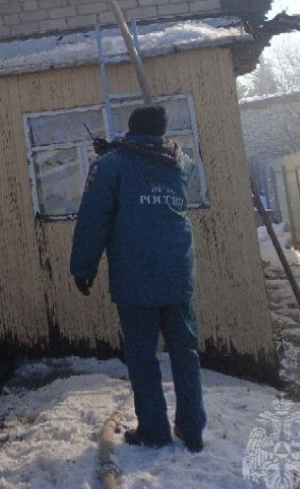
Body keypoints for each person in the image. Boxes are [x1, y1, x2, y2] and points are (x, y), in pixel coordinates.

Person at [69, 105, 207, 453]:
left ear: (130, 128)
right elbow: (161, 158)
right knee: (185, 352)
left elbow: (93, 220)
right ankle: (192, 431)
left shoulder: (110, 166)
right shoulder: (179, 161)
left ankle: (155, 430)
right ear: (162, 130)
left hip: (136, 278)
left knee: (143, 357)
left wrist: (83, 267)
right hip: (179, 273)